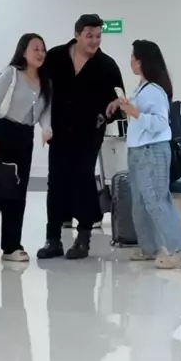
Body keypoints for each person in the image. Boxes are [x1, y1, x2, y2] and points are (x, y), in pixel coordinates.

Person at [37, 14, 125, 261]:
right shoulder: (55, 57)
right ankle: (53, 239)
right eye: (89, 36)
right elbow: (40, 88)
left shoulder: (107, 65)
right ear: (77, 35)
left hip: (89, 133)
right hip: (59, 132)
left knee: (83, 179)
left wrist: (108, 112)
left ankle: (83, 237)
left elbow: (119, 99)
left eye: (98, 36)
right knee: (56, 182)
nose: (95, 41)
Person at [108, 39, 181, 270]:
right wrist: (123, 104)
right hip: (138, 150)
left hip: (152, 151)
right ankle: (150, 248)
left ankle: (180, 251)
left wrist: (134, 112)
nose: (130, 62)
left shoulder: (154, 91)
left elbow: (159, 123)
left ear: (141, 62)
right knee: (140, 202)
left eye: (133, 58)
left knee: (157, 201)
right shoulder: (142, 88)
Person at [0, 33, 52, 264]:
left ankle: (11, 246)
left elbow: (45, 111)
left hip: (24, 136)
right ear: (23, 52)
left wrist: (46, 129)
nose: (40, 53)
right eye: (35, 49)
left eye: (43, 49)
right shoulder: (11, 73)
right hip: (0, 132)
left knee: (17, 192)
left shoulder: (45, 81)